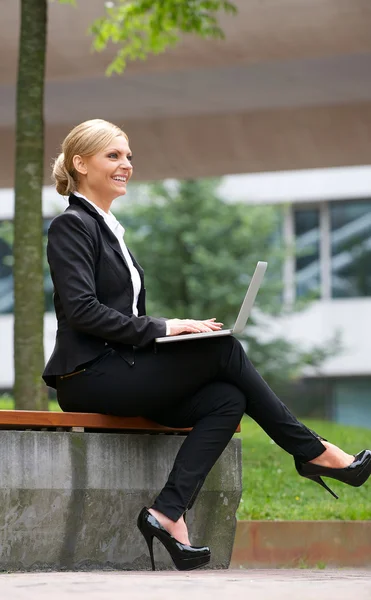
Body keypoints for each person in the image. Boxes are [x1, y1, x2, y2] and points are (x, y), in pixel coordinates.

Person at [42, 119, 371, 572]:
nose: (126, 165)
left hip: (122, 367)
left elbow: (123, 316)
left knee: (226, 397)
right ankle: (313, 452)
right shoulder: (71, 226)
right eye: (113, 156)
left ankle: (166, 513)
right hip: (88, 376)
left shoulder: (108, 227)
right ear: (80, 164)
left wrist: (165, 333)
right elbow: (82, 311)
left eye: (129, 156)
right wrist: (168, 328)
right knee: (224, 351)